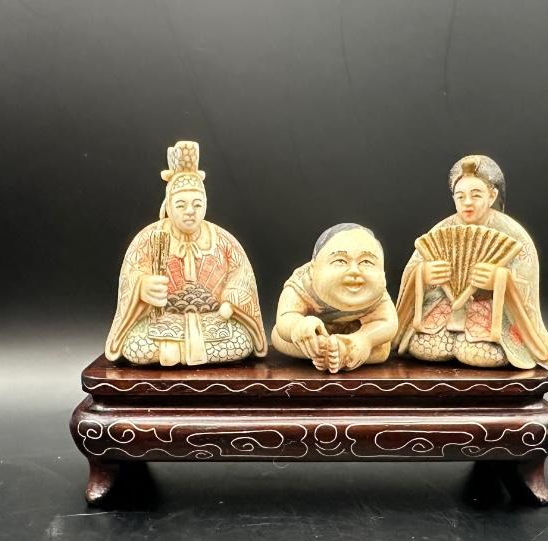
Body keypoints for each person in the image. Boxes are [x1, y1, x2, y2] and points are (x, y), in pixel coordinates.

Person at [104, 141, 267, 366]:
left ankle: (175, 352)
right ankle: (187, 352)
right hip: (163, 319)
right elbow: (131, 274)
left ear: (206, 204)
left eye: (197, 205)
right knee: (137, 345)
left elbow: (242, 275)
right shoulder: (148, 238)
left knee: (240, 340)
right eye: (181, 205)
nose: (190, 211)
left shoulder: (223, 239)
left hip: (213, 320)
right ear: (168, 206)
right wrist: (142, 287)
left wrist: (231, 301)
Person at [394, 155, 548, 369]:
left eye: (476, 195)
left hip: (490, 310)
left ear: (492, 195)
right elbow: (414, 270)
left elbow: (525, 281)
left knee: (477, 353)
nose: (467, 202)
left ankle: (474, 343)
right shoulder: (443, 229)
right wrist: (423, 274)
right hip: (447, 307)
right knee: (425, 346)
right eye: (460, 196)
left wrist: (500, 280)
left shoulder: (514, 234)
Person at [271, 223, 397, 372]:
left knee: (381, 349)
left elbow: (388, 322)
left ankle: (346, 350)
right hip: (315, 337)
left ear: (383, 273)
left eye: (366, 262)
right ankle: (326, 353)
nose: (354, 271)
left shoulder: (378, 293)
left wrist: (365, 339)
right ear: (313, 269)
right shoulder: (301, 284)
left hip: (356, 334)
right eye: (340, 261)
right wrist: (299, 326)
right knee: (279, 337)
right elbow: (285, 317)